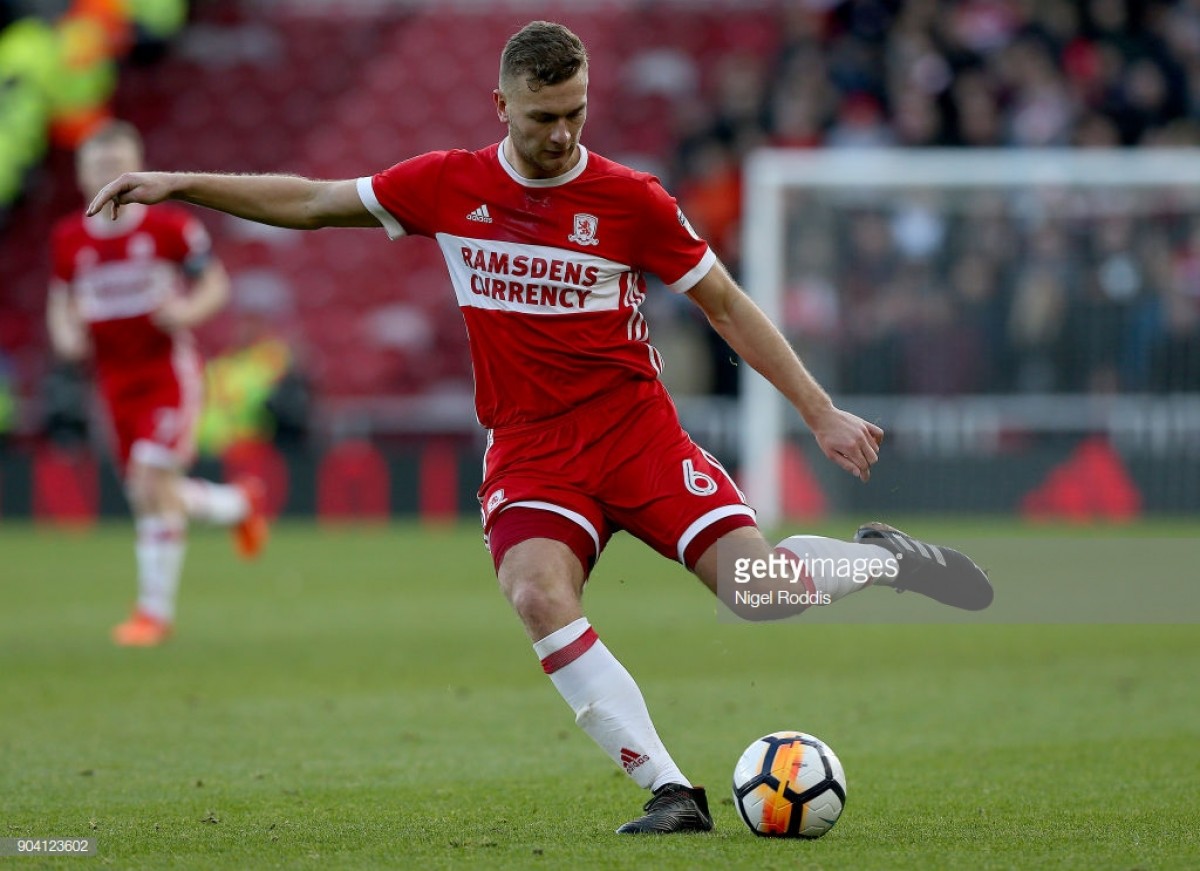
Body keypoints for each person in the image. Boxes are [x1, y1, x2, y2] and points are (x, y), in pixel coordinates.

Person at [86, 22, 992, 831]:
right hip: (531, 450)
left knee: (759, 590)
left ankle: (887, 559)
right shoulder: (447, 185)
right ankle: (670, 789)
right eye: (542, 117)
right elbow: (314, 200)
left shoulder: (629, 198)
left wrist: (819, 409)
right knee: (535, 594)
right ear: (502, 105)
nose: (561, 134)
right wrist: (181, 184)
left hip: (637, 434)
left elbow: (723, 302)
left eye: (575, 113)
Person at [48, 120, 269, 648]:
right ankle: (239, 504)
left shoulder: (169, 228)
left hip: (166, 375)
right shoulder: (68, 238)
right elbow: (61, 302)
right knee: (151, 493)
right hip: (111, 382)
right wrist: (65, 335)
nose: (109, 175)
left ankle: (152, 614)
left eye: (117, 165)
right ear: (82, 175)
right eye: (98, 166)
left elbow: (215, 284)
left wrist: (186, 310)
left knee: (150, 483)